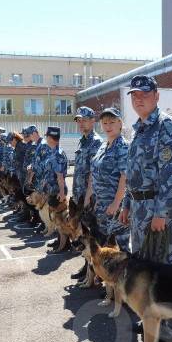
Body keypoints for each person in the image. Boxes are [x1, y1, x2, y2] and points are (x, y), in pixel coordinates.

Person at [119, 74, 172, 342]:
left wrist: (161, 213)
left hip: (158, 210)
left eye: (144, 94)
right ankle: (152, 320)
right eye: (134, 95)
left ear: (157, 96)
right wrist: (126, 203)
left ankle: (170, 329)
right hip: (138, 209)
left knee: (165, 270)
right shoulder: (139, 130)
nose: (139, 99)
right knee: (146, 269)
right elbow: (132, 173)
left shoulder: (166, 127)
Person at [85, 107, 130, 255]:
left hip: (115, 207)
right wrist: (95, 199)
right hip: (102, 206)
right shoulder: (103, 146)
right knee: (103, 247)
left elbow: (125, 177)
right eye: (104, 123)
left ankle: (124, 277)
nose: (108, 126)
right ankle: (102, 276)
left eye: (112, 122)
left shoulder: (122, 147)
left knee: (119, 248)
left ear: (120, 123)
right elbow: (95, 173)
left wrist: (116, 203)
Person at [71, 106, 103, 279]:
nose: (81, 123)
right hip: (80, 194)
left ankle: (95, 272)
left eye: (84, 119)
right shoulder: (82, 141)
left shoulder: (96, 142)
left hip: (89, 196)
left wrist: (88, 196)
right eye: (79, 120)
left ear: (93, 121)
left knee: (92, 235)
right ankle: (87, 267)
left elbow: (93, 172)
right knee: (84, 234)